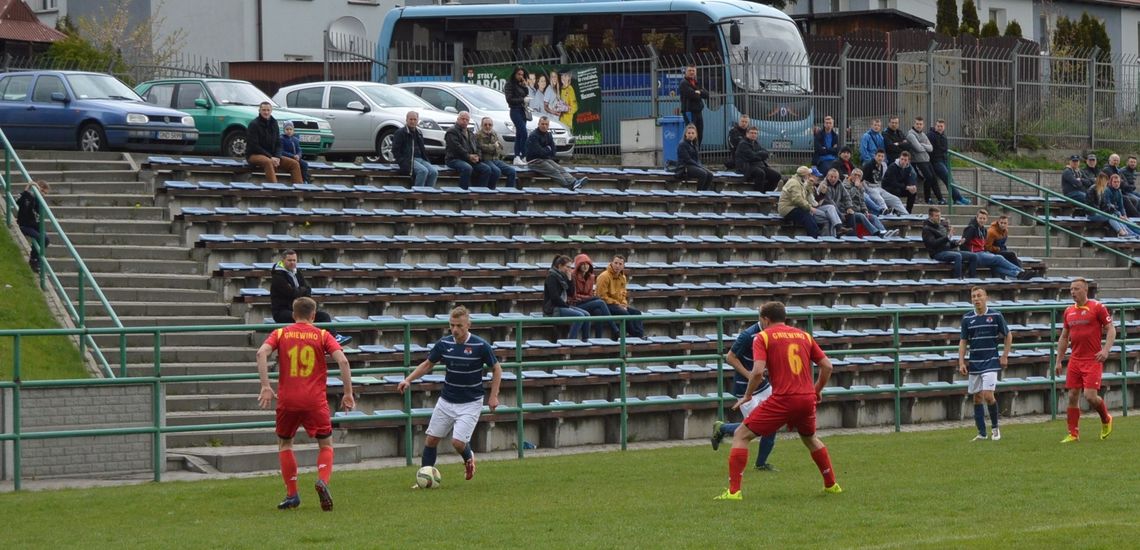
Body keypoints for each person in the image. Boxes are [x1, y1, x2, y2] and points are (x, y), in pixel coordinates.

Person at [714, 301, 841, 500]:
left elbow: (756, 372)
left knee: (741, 435)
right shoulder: (804, 336)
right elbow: (827, 366)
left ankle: (733, 492)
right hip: (806, 399)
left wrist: (747, 395)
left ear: (765, 319)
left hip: (783, 399)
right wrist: (816, 390)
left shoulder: (762, 337)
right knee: (810, 439)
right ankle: (831, 484)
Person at [256, 296, 354, 511]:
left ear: (293, 315)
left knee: (285, 444)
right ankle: (322, 481)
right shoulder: (321, 334)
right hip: (314, 401)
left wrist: (265, 386)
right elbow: (343, 361)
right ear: (313, 315)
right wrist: (348, 393)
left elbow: (261, 352)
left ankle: (292, 495)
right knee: (325, 444)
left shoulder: (281, 333)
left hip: (287, 400)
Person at [398, 306, 502, 480]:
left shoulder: (480, 345)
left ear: (468, 325)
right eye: (452, 325)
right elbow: (427, 364)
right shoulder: (444, 344)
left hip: (470, 402)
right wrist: (407, 380)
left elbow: (497, 369)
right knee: (431, 440)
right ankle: (425, 478)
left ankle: (468, 458)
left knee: (458, 443)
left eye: (459, 326)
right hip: (447, 400)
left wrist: (493, 396)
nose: (455, 329)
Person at [709, 321, 778, 472]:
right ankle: (722, 428)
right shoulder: (748, 335)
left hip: (764, 385)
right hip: (744, 387)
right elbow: (730, 357)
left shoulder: (771, 333)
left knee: (773, 422)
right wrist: (750, 376)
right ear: (765, 319)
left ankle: (761, 464)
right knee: (757, 426)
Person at [1055, 278, 1114, 443]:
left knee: (1090, 396)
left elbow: (1111, 329)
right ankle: (1073, 434)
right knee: (1072, 395)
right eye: (1071, 289)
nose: (1073, 292)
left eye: (1077, 289)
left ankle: (1106, 418)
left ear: (1085, 290)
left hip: (1093, 359)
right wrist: (1059, 360)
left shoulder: (1097, 307)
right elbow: (1064, 337)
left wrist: (1105, 350)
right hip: (1075, 359)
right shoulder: (1068, 311)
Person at [958, 287, 1011, 441]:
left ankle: (995, 429)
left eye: (979, 295)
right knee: (977, 398)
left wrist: (1005, 356)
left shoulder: (995, 315)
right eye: (973, 296)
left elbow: (1008, 335)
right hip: (975, 362)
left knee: (988, 395)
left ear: (986, 297)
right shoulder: (967, 318)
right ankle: (982, 433)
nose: (976, 298)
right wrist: (961, 362)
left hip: (990, 362)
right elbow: (963, 341)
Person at [270, 249, 351, 345]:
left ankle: (333, 337)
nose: (292, 263)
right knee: (306, 319)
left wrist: (299, 290)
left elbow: (307, 290)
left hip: (299, 310)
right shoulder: (277, 277)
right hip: (282, 312)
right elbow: (291, 293)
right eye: (289, 260)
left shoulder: (297, 272)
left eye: (294, 260)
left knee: (323, 316)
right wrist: (301, 290)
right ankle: (323, 342)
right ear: (283, 261)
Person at [959, 209, 1030, 280]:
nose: (982, 220)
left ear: (986, 219)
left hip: (983, 253)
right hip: (975, 254)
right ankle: (1022, 271)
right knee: (999, 258)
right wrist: (970, 255)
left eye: (984, 218)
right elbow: (963, 244)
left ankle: (1018, 274)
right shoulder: (971, 228)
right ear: (976, 218)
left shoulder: (983, 230)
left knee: (996, 266)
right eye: (980, 218)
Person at [247, 101, 302, 184]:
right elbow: (254, 146)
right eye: (264, 110)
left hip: (273, 156)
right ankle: (275, 190)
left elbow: (278, 143)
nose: (266, 112)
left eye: (268, 110)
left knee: (294, 164)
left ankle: (299, 192)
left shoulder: (274, 123)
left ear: (271, 111)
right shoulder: (253, 124)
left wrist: (277, 156)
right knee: (268, 162)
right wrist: (270, 157)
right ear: (259, 111)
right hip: (254, 155)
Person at [526, 116, 586, 190]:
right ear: (538, 124)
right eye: (542, 124)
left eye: (546, 124)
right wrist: (548, 149)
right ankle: (570, 187)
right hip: (534, 162)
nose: (544, 126)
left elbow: (553, 151)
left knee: (560, 168)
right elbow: (539, 152)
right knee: (554, 171)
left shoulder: (548, 135)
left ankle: (574, 182)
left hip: (545, 159)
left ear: (548, 125)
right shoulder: (533, 136)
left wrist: (547, 150)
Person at [595, 255, 645, 338]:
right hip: (606, 304)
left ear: (623, 266)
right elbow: (601, 296)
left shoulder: (623, 277)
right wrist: (618, 304)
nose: (617, 266)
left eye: (620, 264)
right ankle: (636, 335)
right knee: (625, 313)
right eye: (615, 263)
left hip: (618, 304)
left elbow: (623, 294)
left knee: (637, 313)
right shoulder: (604, 276)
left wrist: (624, 304)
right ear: (611, 263)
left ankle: (639, 335)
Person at [922, 207, 977, 278]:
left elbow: (948, 243)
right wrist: (947, 237)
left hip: (948, 251)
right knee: (957, 256)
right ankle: (957, 279)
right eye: (936, 216)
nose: (939, 218)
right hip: (937, 253)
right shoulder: (927, 229)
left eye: (939, 215)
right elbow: (933, 244)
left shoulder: (940, 226)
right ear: (930, 217)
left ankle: (972, 279)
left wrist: (956, 243)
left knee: (973, 256)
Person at [543, 255, 590, 340]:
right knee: (580, 316)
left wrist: (570, 279)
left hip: (562, 305)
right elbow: (555, 298)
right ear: (560, 266)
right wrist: (567, 307)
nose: (569, 269)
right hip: (553, 308)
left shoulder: (563, 276)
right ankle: (571, 341)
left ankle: (585, 340)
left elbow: (571, 294)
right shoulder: (551, 277)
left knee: (587, 315)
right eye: (567, 267)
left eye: (570, 267)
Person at [568, 253, 613, 338]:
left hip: (586, 303)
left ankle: (597, 339)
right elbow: (574, 296)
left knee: (598, 312)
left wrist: (588, 298)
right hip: (576, 304)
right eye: (583, 264)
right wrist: (589, 298)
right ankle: (613, 327)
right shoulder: (573, 276)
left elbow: (590, 294)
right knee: (600, 302)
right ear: (578, 265)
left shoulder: (591, 277)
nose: (585, 266)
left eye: (587, 264)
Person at [444, 111, 492, 190]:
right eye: (462, 119)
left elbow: (478, 147)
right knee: (467, 168)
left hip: (469, 159)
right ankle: (463, 192)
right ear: (457, 119)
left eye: (467, 119)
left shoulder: (470, 132)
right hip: (454, 159)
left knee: (486, 169)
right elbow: (456, 148)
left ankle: (479, 192)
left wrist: (478, 157)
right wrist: (469, 156)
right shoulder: (451, 131)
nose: (465, 121)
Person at [841, 169, 895, 237]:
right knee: (861, 216)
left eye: (859, 176)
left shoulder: (860, 187)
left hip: (858, 211)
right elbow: (848, 198)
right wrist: (855, 187)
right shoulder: (844, 185)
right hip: (849, 212)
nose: (857, 177)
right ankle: (876, 233)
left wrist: (865, 210)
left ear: (861, 178)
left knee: (873, 217)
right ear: (851, 175)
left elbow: (862, 201)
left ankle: (884, 232)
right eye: (855, 175)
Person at [392, 111, 439, 188]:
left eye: (415, 119)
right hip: (409, 159)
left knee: (434, 172)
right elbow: (395, 150)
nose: (413, 121)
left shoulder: (419, 132)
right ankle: (417, 194)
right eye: (411, 119)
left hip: (420, 159)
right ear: (406, 120)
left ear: (417, 121)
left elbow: (422, 149)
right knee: (423, 171)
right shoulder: (400, 132)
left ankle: (428, 194)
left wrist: (427, 160)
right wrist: (402, 161)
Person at [928, 118, 969, 205]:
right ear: (935, 126)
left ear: (944, 127)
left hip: (944, 160)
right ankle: (958, 198)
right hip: (936, 162)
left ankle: (957, 198)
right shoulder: (931, 135)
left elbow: (945, 149)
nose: (939, 128)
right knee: (948, 178)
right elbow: (934, 150)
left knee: (950, 179)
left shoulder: (943, 135)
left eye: (941, 126)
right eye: (938, 126)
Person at [1087, 173, 1140, 237]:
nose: (1116, 183)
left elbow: (1121, 206)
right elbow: (1095, 206)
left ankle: (1131, 233)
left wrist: (1123, 214)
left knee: (1124, 219)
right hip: (1093, 213)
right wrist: (1118, 214)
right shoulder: (1096, 190)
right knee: (1113, 216)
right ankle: (1124, 232)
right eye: (1115, 182)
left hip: (1106, 212)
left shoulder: (1115, 191)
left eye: (1118, 182)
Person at [778, 166, 824, 238]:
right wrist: (810, 208)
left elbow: (805, 196)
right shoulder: (794, 183)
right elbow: (797, 199)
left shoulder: (800, 181)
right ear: (805, 175)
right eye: (808, 174)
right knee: (806, 216)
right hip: (787, 208)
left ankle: (816, 234)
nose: (809, 176)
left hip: (793, 207)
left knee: (810, 216)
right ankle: (814, 236)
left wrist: (809, 185)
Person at [474, 116, 518, 189]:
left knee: (512, 171)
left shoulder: (494, 133)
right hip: (485, 159)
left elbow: (499, 147)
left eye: (490, 125)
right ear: (481, 125)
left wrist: (494, 147)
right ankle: (490, 190)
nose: (488, 126)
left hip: (495, 159)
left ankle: (509, 192)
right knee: (496, 171)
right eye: (485, 124)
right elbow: (482, 147)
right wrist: (494, 146)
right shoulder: (477, 135)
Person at [905, 116, 941, 204]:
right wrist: (924, 146)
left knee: (933, 178)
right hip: (917, 161)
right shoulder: (911, 134)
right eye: (917, 124)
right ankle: (927, 198)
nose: (919, 126)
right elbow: (918, 148)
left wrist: (922, 145)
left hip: (926, 160)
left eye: (920, 124)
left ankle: (940, 199)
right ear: (914, 124)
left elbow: (931, 148)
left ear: (923, 125)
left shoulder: (923, 134)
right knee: (928, 177)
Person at [16, 180, 50, 273]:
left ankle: (36, 259)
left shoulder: (39, 201)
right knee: (39, 238)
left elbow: (38, 211)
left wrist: (38, 198)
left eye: (45, 193)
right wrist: (28, 187)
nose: (44, 195)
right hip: (24, 225)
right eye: (42, 191)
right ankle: (34, 260)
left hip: (35, 226)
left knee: (46, 239)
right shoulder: (28, 197)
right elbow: (18, 201)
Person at [861, 149, 908, 216]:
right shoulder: (868, 165)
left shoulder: (882, 166)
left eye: (882, 156)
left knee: (895, 199)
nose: (880, 158)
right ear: (875, 156)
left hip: (878, 187)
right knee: (880, 200)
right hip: (869, 187)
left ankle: (906, 214)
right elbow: (862, 179)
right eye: (879, 156)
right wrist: (864, 190)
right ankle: (888, 216)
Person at [734, 126, 781, 193]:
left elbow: (765, 152)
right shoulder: (743, 144)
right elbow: (752, 156)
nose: (753, 135)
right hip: (746, 167)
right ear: (747, 134)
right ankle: (758, 194)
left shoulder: (756, 143)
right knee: (760, 173)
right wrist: (760, 154)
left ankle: (766, 192)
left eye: (755, 133)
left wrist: (760, 154)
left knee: (776, 176)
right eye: (752, 133)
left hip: (758, 165)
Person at [504, 66, 530, 165]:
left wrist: (524, 86)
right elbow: (509, 99)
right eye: (519, 74)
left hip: (523, 110)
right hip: (515, 110)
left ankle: (520, 157)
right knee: (524, 133)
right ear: (514, 74)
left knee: (519, 134)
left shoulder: (521, 84)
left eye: (522, 74)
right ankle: (519, 155)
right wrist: (522, 100)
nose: (520, 76)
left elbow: (525, 94)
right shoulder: (509, 84)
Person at [677, 124, 714, 191]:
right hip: (685, 167)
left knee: (710, 174)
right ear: (685, 134)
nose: (691, 135)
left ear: (696, 134)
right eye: (689, 133)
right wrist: (699, 166)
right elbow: (687, 160)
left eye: (693, 133)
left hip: (694, 165)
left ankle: (704, 192)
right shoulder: (682, 144)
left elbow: (697, 158)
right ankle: (699, 193)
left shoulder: (694, 144)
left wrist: (700, 165)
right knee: (703, 174)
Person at [678, 65, 707, 145]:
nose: (691, 72)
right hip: (689, 111)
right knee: (691, 134)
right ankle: (690, 152)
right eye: (690, 70)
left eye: (693, 71)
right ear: (686, 72)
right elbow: (693, 95)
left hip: (698, 112)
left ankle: (696, 152)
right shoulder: (684, 83)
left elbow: (707, 94)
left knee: (699, 134)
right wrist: (699, 92)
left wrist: (700, 92)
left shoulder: (696, 82)